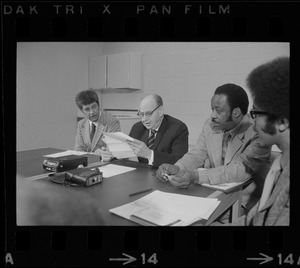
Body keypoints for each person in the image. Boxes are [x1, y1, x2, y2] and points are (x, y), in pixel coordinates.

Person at [156, 83, 271, 211]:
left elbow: (238, 170)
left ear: (236, 112)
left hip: (244, 203)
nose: (212, 115)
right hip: (211, 192)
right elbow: (197, 154)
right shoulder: (210, 125)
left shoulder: (259, 133)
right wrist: (178, 168)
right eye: (212, 109)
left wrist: (195, 176)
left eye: (218, 110)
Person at [225, 57, 289, 225]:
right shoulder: (282, 164)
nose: (253, 124)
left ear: (281, 122)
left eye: (255, 114)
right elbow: (254, 219)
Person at [127, 94, 189, 167]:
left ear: (160, 111)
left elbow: (179, 161)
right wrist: (112, 155)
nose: (144, 119)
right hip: (142, 173)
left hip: (164, 175)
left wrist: (149, 154)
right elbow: (126, 151)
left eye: (148, 114)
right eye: (141, 114)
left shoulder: (178, 128)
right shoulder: (137, 127)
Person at [75, 89, 120, 160]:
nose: (92, 112)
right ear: (82, 111)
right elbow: (78, 150)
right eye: (87, 109)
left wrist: (100, 154)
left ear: (99, 105)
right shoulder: (81, 124)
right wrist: (93, 154)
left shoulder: (112, 122)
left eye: (94, 107)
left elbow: (113, 151)